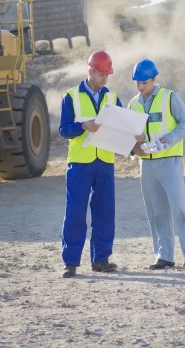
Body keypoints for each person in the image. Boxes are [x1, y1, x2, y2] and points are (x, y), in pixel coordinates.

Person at [128, 59, 185, 270]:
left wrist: (168, 139)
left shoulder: (169, 97)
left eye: (144, 83)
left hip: (169, 161)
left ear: (154, 79)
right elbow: (128, 134)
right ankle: (165, 255)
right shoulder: (133, 104)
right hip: (146, 165)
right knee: (156, 211)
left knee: (179, 207)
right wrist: (134, 148)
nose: (140, 87)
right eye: (137, 83)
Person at [58, 50, 123, 279]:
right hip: (80, 163)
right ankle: (70, 263)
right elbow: (64, 129)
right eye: (101, 74)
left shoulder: (113, 98)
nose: (105, 78)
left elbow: (122, 127)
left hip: (104, 162)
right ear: (91, 71)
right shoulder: (71, 96)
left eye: (108, 74)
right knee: (75, 212)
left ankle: (101, 260)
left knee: (105, 211)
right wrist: (83, 126)